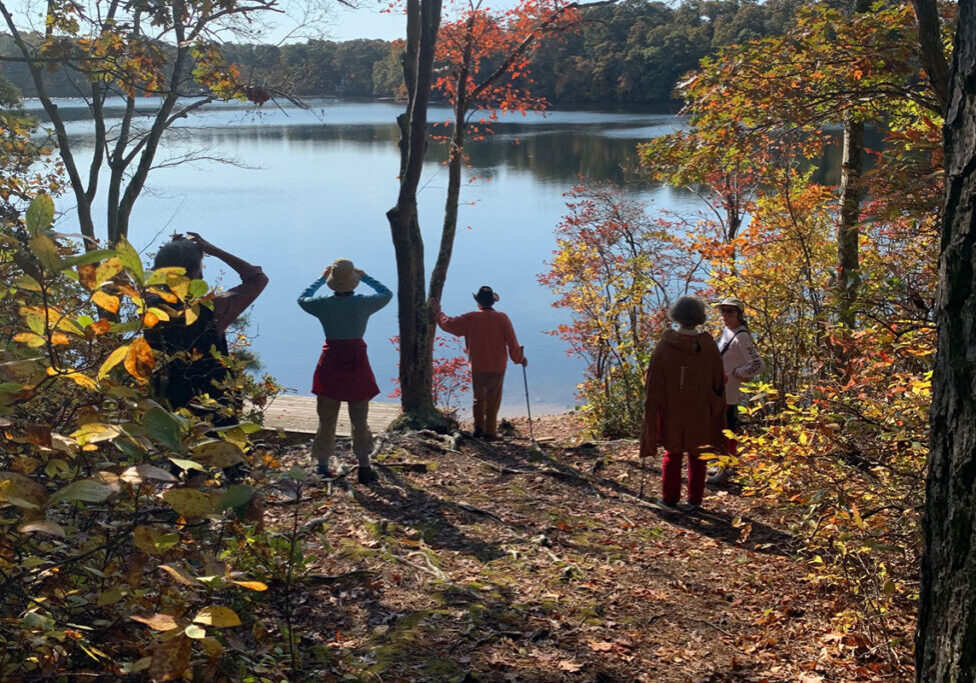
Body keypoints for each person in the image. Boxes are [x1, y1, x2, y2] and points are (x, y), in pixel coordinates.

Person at [146, 232, 269, 423]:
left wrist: (172, 253)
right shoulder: (212, 309)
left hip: (166, 401)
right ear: (198, 274)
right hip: (214, 403)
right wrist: (213, 250)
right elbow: (257, 279)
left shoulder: (148, 305)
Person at [298, 258, 391, 484]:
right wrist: (365, 276)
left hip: (330, 360)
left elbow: (302, 298)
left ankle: (322, 466)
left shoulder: (322, 305)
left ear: (332, 281)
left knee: (327, 416)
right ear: (354, 282)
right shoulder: (363, 303)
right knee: (360, 417)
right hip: (357, 360)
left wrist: (320, 279)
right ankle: (364, 466)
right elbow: (386, 293)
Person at [639, 295, 726, 509]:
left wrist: (653, 407)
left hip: (673, 409)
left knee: (673, 452)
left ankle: (669, 499)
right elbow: (718, 381)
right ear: (699, 317)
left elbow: (653, 382)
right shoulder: (709, 347)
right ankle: (694, 500)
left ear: (676, 315)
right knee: (698, 454)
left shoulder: (664, 346)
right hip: (701, 409)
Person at [434, 286, 527, 440]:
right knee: (493, 400)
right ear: (492, 302)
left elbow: (449, 324)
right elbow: (512, 343)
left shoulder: (470, 318)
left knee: (479, 398)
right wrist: (520, 359)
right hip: (497, 365)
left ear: (478, 302)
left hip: (478, 365)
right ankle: (490, 432)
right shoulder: (503, 318)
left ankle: (478, 429)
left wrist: (438, 313)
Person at [708, 297, 765, 485]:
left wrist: (737, 373)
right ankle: (723, 463)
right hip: (719, 389)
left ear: (739, 314)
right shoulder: (728, 330)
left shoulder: (741, 336)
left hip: (728, 391)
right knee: (720, 428)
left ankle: (728, 469)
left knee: (727, 429)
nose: (724, 315)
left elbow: (759, 364)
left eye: (729, 312)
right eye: (722, 311)